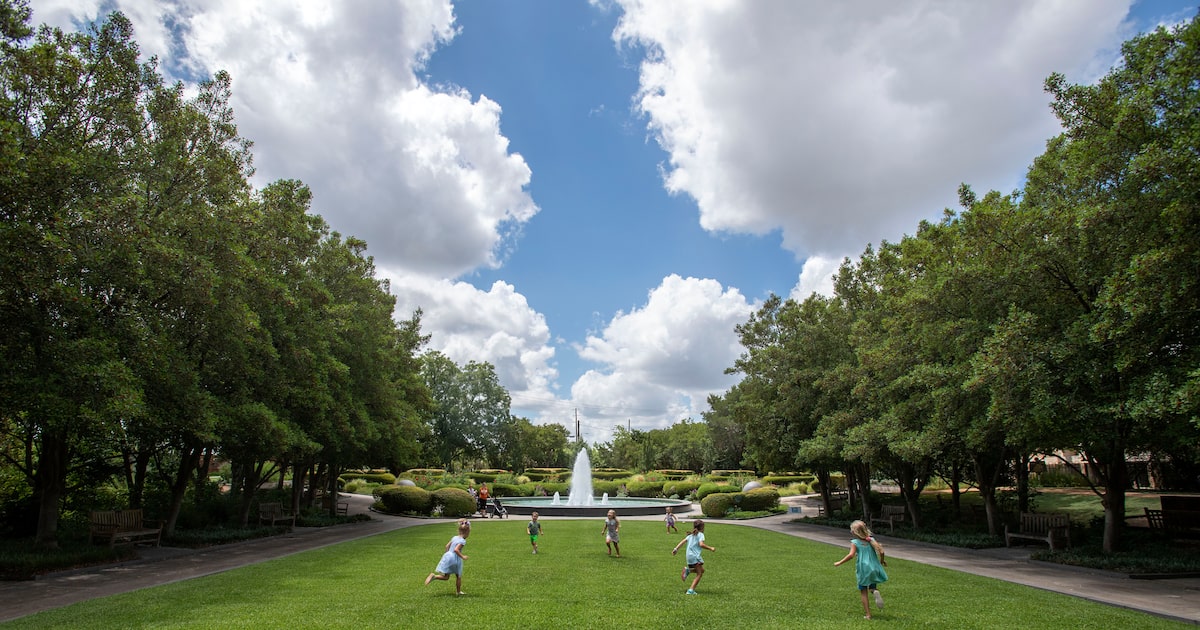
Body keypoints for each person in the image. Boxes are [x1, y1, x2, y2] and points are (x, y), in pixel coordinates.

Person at [833, 520, 888, 619]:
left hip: (863, 568)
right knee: (872, 585)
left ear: (854, 532)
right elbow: (882, 551)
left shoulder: (855, 542)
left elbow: (851, 555)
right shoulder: (871, 540)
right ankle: (874, 591)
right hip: (874, 567)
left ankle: (868, 615)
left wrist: (840, 562)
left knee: (863, 591)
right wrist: (882, 561)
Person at [425, 519, 471, 595]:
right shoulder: (463, 541)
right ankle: (458, 591)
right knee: (458, 576)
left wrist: (447, 556)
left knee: (446, 577)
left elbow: (447, 546)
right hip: (455, 558)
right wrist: (463, 556)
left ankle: (434, 576)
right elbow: (456, 550)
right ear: (467, 532)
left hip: (448, 555)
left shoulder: (454, 537)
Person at [672, 519, 715, 595]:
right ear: (702, 528)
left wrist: (676, 549)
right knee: (699, 574)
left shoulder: (690, 535)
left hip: (689, 556)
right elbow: (701, 544)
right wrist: (710, 548)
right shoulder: (700, 535)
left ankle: (688, 571)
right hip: (695, 557)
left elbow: (682, 542)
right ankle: (691, 590)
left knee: (702, 570)